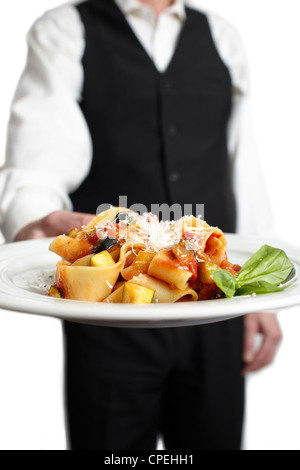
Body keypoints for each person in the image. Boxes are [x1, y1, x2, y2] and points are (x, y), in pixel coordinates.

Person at [0, 0, 282, 450]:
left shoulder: (223, 36)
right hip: (108, 317)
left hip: (216, 306)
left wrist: (261, 299)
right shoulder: (66, 29)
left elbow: (242, 166)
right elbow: (40, 156)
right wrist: (37, 220)